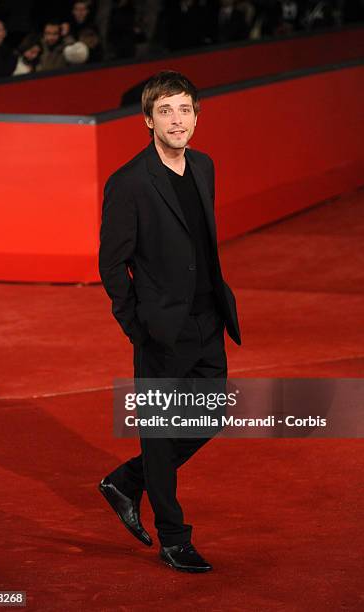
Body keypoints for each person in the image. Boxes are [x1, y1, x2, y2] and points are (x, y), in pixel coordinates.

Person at [98, 70, 241, 572]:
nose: (177, 120)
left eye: (185, 110)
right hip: (161, 329)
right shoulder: (129, 183)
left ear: (197, 116)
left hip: (209, 318)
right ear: (147, 120)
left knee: (210, 416)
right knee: (159, 432)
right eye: (165, 111)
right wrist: (136, 326)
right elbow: (112, 266)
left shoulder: (204, 166)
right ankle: (174, 537)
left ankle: (128, 480)